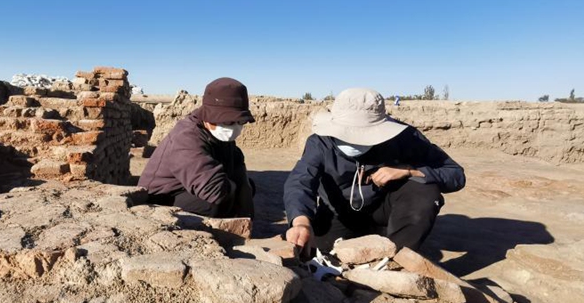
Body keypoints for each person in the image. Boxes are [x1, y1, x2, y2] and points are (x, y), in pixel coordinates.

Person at [283, 87, 465, 256]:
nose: (353, 139)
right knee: (315, 252)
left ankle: (397, 259)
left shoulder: (404, 138)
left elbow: (455, 174)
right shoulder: (320, 143)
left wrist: (409, 171)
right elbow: (300, 181)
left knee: (424, 189)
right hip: (340, 214)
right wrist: (300, 222)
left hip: (384, 211)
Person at [139, 78, 256, 218]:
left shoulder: (219, 135)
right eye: (227, 121)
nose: (233, 127)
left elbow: (238, 168)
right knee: (214, 205)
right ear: (209, 116)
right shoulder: (186, 138)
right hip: (162, 196)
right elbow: (214, 190)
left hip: (193, 187)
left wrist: (247, 212)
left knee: (247, 187)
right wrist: (234, 189)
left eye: (240, 121)